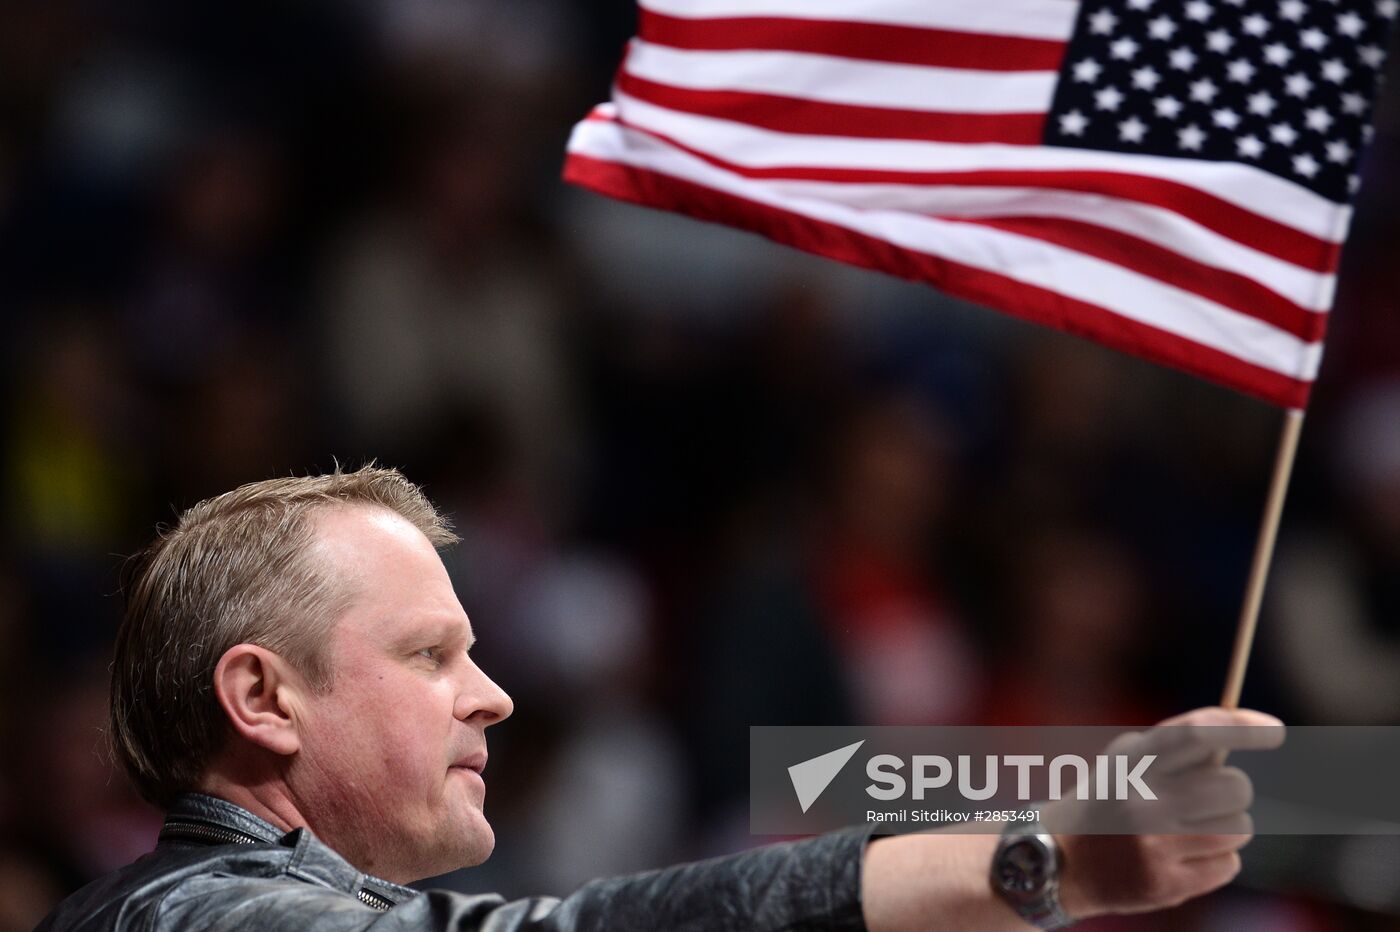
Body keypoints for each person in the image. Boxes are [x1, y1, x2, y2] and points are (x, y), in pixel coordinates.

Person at [38, 466, 1282, 931]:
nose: (494, 696)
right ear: (263, 694)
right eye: (429, 654)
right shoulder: (196, 917)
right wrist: (1041, 852)